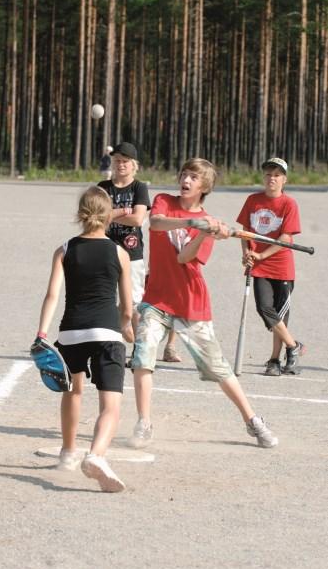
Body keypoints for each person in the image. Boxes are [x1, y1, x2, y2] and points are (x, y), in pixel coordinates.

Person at [128, 157, 279, 450]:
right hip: (156, 299)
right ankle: (144, 422)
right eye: (184, 174)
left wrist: (205, 232)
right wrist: (191, 222)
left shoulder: (209, 222)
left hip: (190, 304)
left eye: (194, 178)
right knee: (143, 353)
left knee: (218, 368)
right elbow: (155, 223)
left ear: (204, 187)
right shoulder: (163, 201)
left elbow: (184, 258)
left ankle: (252, 421)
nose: (186, 180)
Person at [34, 185, 134, 492]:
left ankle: (67, 453)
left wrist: (42, 332)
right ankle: (96, 455)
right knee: (111, 405)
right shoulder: (120, 253)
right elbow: (127, 306)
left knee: (73, 392)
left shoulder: (64, 249)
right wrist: (127, 327)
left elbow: (52, 294)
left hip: (71, 331)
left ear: (81, 214)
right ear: (109, 217)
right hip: (106, 332)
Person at [236, 157, 305, 376]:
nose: (271, 179)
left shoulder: (288, 204)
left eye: (276, 175)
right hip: (258, 266)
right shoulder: (253, 200)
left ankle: (275, 360)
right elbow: (245, 231)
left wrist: (261, 254)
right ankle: (294, 346)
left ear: (284, 179)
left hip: (281, 266)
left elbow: (286, 238)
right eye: (268, 174)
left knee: (279, 315)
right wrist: (246, 252)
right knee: (264, 308)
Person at [98, 141, 151, 332]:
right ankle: (110, 345)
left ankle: (138, 350)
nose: (121, 164)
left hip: (132, 253)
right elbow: (97, 218)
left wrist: (111, 214)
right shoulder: (103, 187)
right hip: (105, 250)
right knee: (105, 300)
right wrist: (122, 212)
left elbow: (137, 219)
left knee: (135, 303)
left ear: (133, 165)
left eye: (125, 161)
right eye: (118, 160)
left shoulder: (139, 188)